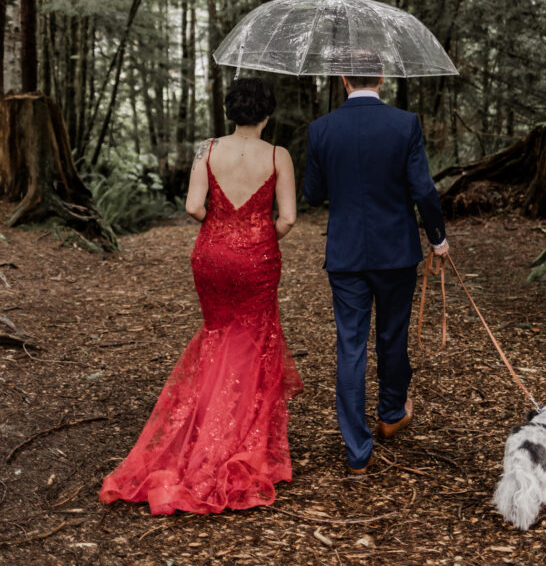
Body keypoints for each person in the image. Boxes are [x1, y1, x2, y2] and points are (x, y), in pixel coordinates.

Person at [99, 78, 302, 515]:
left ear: (231, 111)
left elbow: (193, 207)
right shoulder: (277, 156)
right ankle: (238, 436)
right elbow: (287, 219)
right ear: (267, 114)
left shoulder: (206, 150)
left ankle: (202, 429)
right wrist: (257, 236)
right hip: (258, 257)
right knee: (253, 338)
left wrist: (222, 230)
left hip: (211, 254)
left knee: (218, 333)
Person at [303, 60, 449, 476]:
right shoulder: (404, 124)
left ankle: (357, 452)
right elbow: (422, 188)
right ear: (381, 78)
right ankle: (390, 413)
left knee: (350, 345)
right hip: (395, 251)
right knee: (392, 334)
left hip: (346, 254)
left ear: (344, 80)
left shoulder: (322, 129)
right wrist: (437, 237)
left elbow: (313, 194)